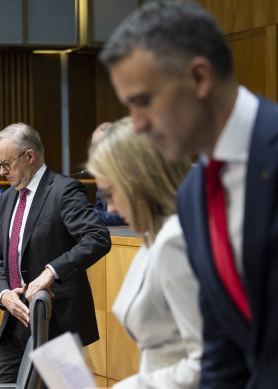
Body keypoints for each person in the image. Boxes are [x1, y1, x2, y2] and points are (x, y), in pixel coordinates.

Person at [100, 1, 278, 387]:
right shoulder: (193, 197)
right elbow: (221, 351)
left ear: (199, 78)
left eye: (143, 101)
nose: (138, 124)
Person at [0, 122, 111, 383]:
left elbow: (97, 238)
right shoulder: (8, 197)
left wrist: (51, 272)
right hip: (14, 320)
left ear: (29, 156)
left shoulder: (63, 190)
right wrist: (3, 294)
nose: (2, 171)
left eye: (6, 164)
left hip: (57, 319)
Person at [87, 117, 200, 388]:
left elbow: (207, 360)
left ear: (139, 181)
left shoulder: (175, 240)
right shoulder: (155, 236)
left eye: (110, 194)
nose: (110, 210)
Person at [90, 122, 126, 226]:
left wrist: (86, 217)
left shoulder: (130, 173)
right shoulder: (104, 173)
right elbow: (99, 209)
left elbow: (124, 217)